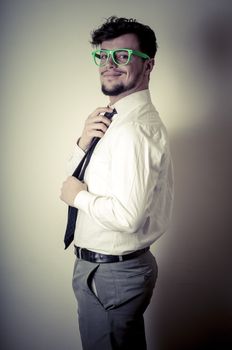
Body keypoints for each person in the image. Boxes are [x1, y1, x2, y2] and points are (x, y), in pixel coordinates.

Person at [60, 16, 174, 350]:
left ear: (148, 65)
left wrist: (78, 198)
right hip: (104, 271)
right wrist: (82, 143)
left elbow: (127, 217)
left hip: (111, 275)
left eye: (122, 56)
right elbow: (72, 180)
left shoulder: (134, 130)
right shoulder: (115, 118)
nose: (109, 65)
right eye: (103, 56)